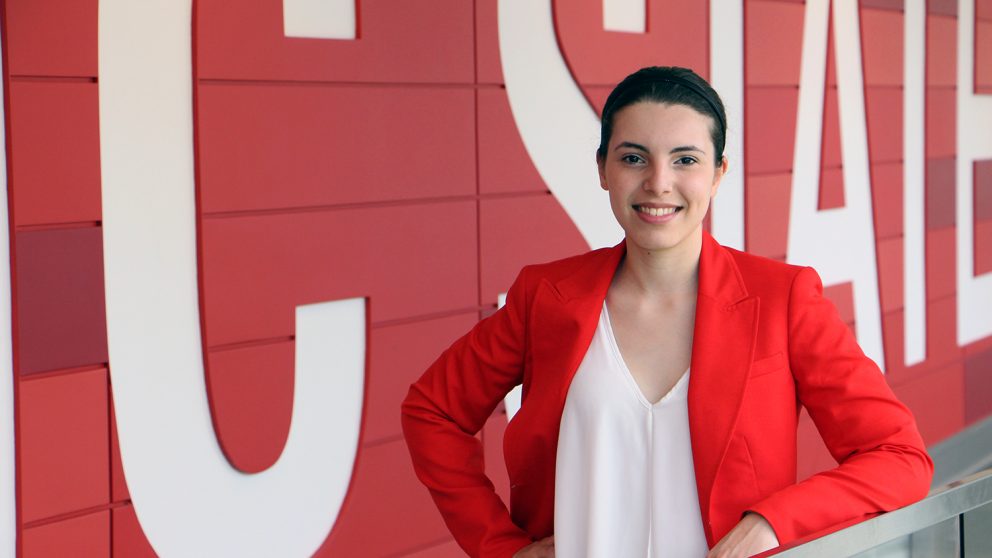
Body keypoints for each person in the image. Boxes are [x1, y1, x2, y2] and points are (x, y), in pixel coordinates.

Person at [401, 66, 932, 558]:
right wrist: (502, 547)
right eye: (633, 157)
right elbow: (432, 412)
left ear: (718, 173)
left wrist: (769, 523)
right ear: (603, 170)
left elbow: (899, 458)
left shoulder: (783, 298)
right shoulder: (546, 296)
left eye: (685, 159)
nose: (658, 182)